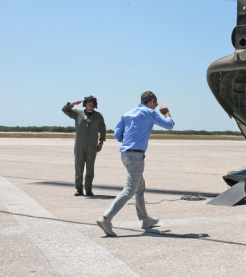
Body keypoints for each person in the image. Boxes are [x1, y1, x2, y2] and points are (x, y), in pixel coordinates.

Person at [96, 91, 174, 237]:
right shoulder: (150, 113)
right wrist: (166, 112)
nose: (155, 107)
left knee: (140, 187)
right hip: (136, 156)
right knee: (129, 190)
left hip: (125, 154)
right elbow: (170, 125)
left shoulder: (127, 114)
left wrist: (130, 138)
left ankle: (145, 219)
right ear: (151, 101)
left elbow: (117, 135)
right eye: (155, 105)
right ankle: (106, 218)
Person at [62, 96, 106, 197]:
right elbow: (64, 110)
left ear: (95, 104)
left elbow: (103, 128)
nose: (90, 104)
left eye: (92, 102)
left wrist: (101, 142)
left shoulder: (98, 116)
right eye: (88, 102)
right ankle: (79, 189)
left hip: (92, 146)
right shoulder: (78, 114)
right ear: (85, 103)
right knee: (79, 168)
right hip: (79, 146)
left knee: (90, 169)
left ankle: (88, 189)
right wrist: (72, 104)